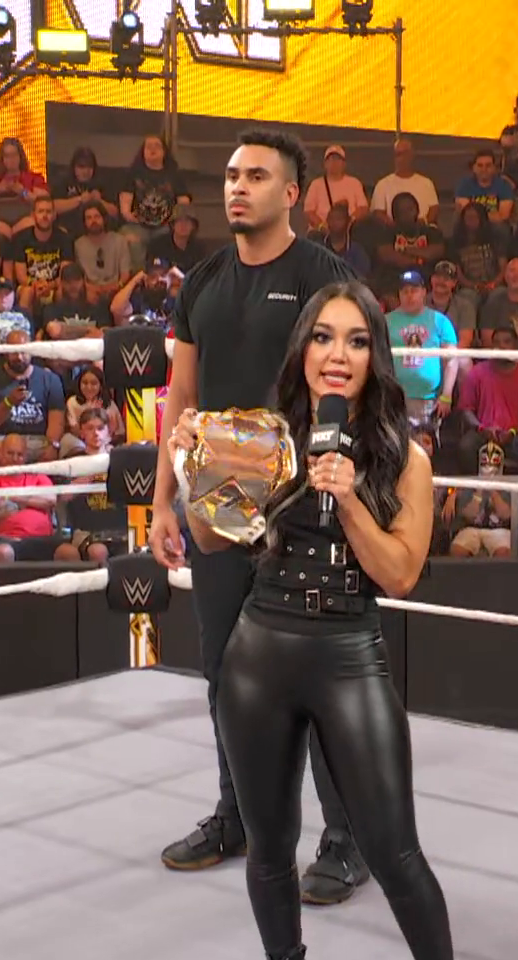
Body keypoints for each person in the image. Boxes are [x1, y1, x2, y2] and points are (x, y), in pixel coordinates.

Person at [171, 280, 480, 960]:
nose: (336, 355)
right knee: (270, 848)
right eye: (322, 337)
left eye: (355, 340)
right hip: (260, 650)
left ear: (375, 357)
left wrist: (347, 500)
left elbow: (401, 573)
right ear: (302, 351)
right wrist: (191, 468)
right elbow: (213, 539)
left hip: (347, 650)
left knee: (395, 850)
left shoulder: (404, 458)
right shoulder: (265, 440)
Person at [151, 130, 368, 903]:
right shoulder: (204, 281)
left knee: (317, 678)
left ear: (292, 194)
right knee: (226, 670)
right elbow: (181, 396)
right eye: (231, 174)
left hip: (304, 502)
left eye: (256, 176)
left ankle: (346, 839)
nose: (237, 187)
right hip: (219, 497)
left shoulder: (324, 277)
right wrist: (163, 497)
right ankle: (237, 814)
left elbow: (351, 387)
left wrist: (335, 492)